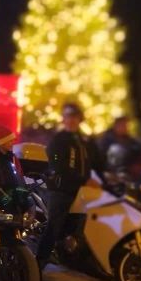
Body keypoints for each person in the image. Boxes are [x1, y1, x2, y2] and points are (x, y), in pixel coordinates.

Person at [34, 103, 104, 270]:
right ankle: (37, 266)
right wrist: (84, 180)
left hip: (82, 192)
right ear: (64, 119)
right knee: (54, 228)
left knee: (80, 226)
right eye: (68, 117)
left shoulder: (84, 141)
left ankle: (74, 258)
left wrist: (109, 177)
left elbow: (98, 162)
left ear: (80, 119)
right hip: (62, 191)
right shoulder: (59, 141)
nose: (71, 120)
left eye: (75, 117)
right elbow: (59, 167)